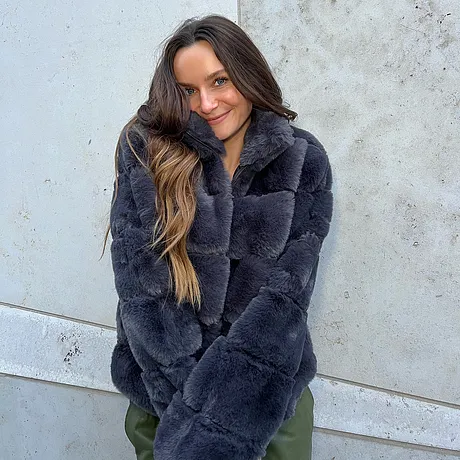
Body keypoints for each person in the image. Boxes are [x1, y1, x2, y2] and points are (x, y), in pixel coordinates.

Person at [107, 14, 333, 460]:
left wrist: (222, 419)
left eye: (220, 81)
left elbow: (286, 298)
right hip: (164, 401)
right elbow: (141, 290)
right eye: (188, 90)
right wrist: (192, 415)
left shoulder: (302, 159)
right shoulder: (148, 151)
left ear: (246, 74)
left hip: (265, 405)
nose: (207, 103)